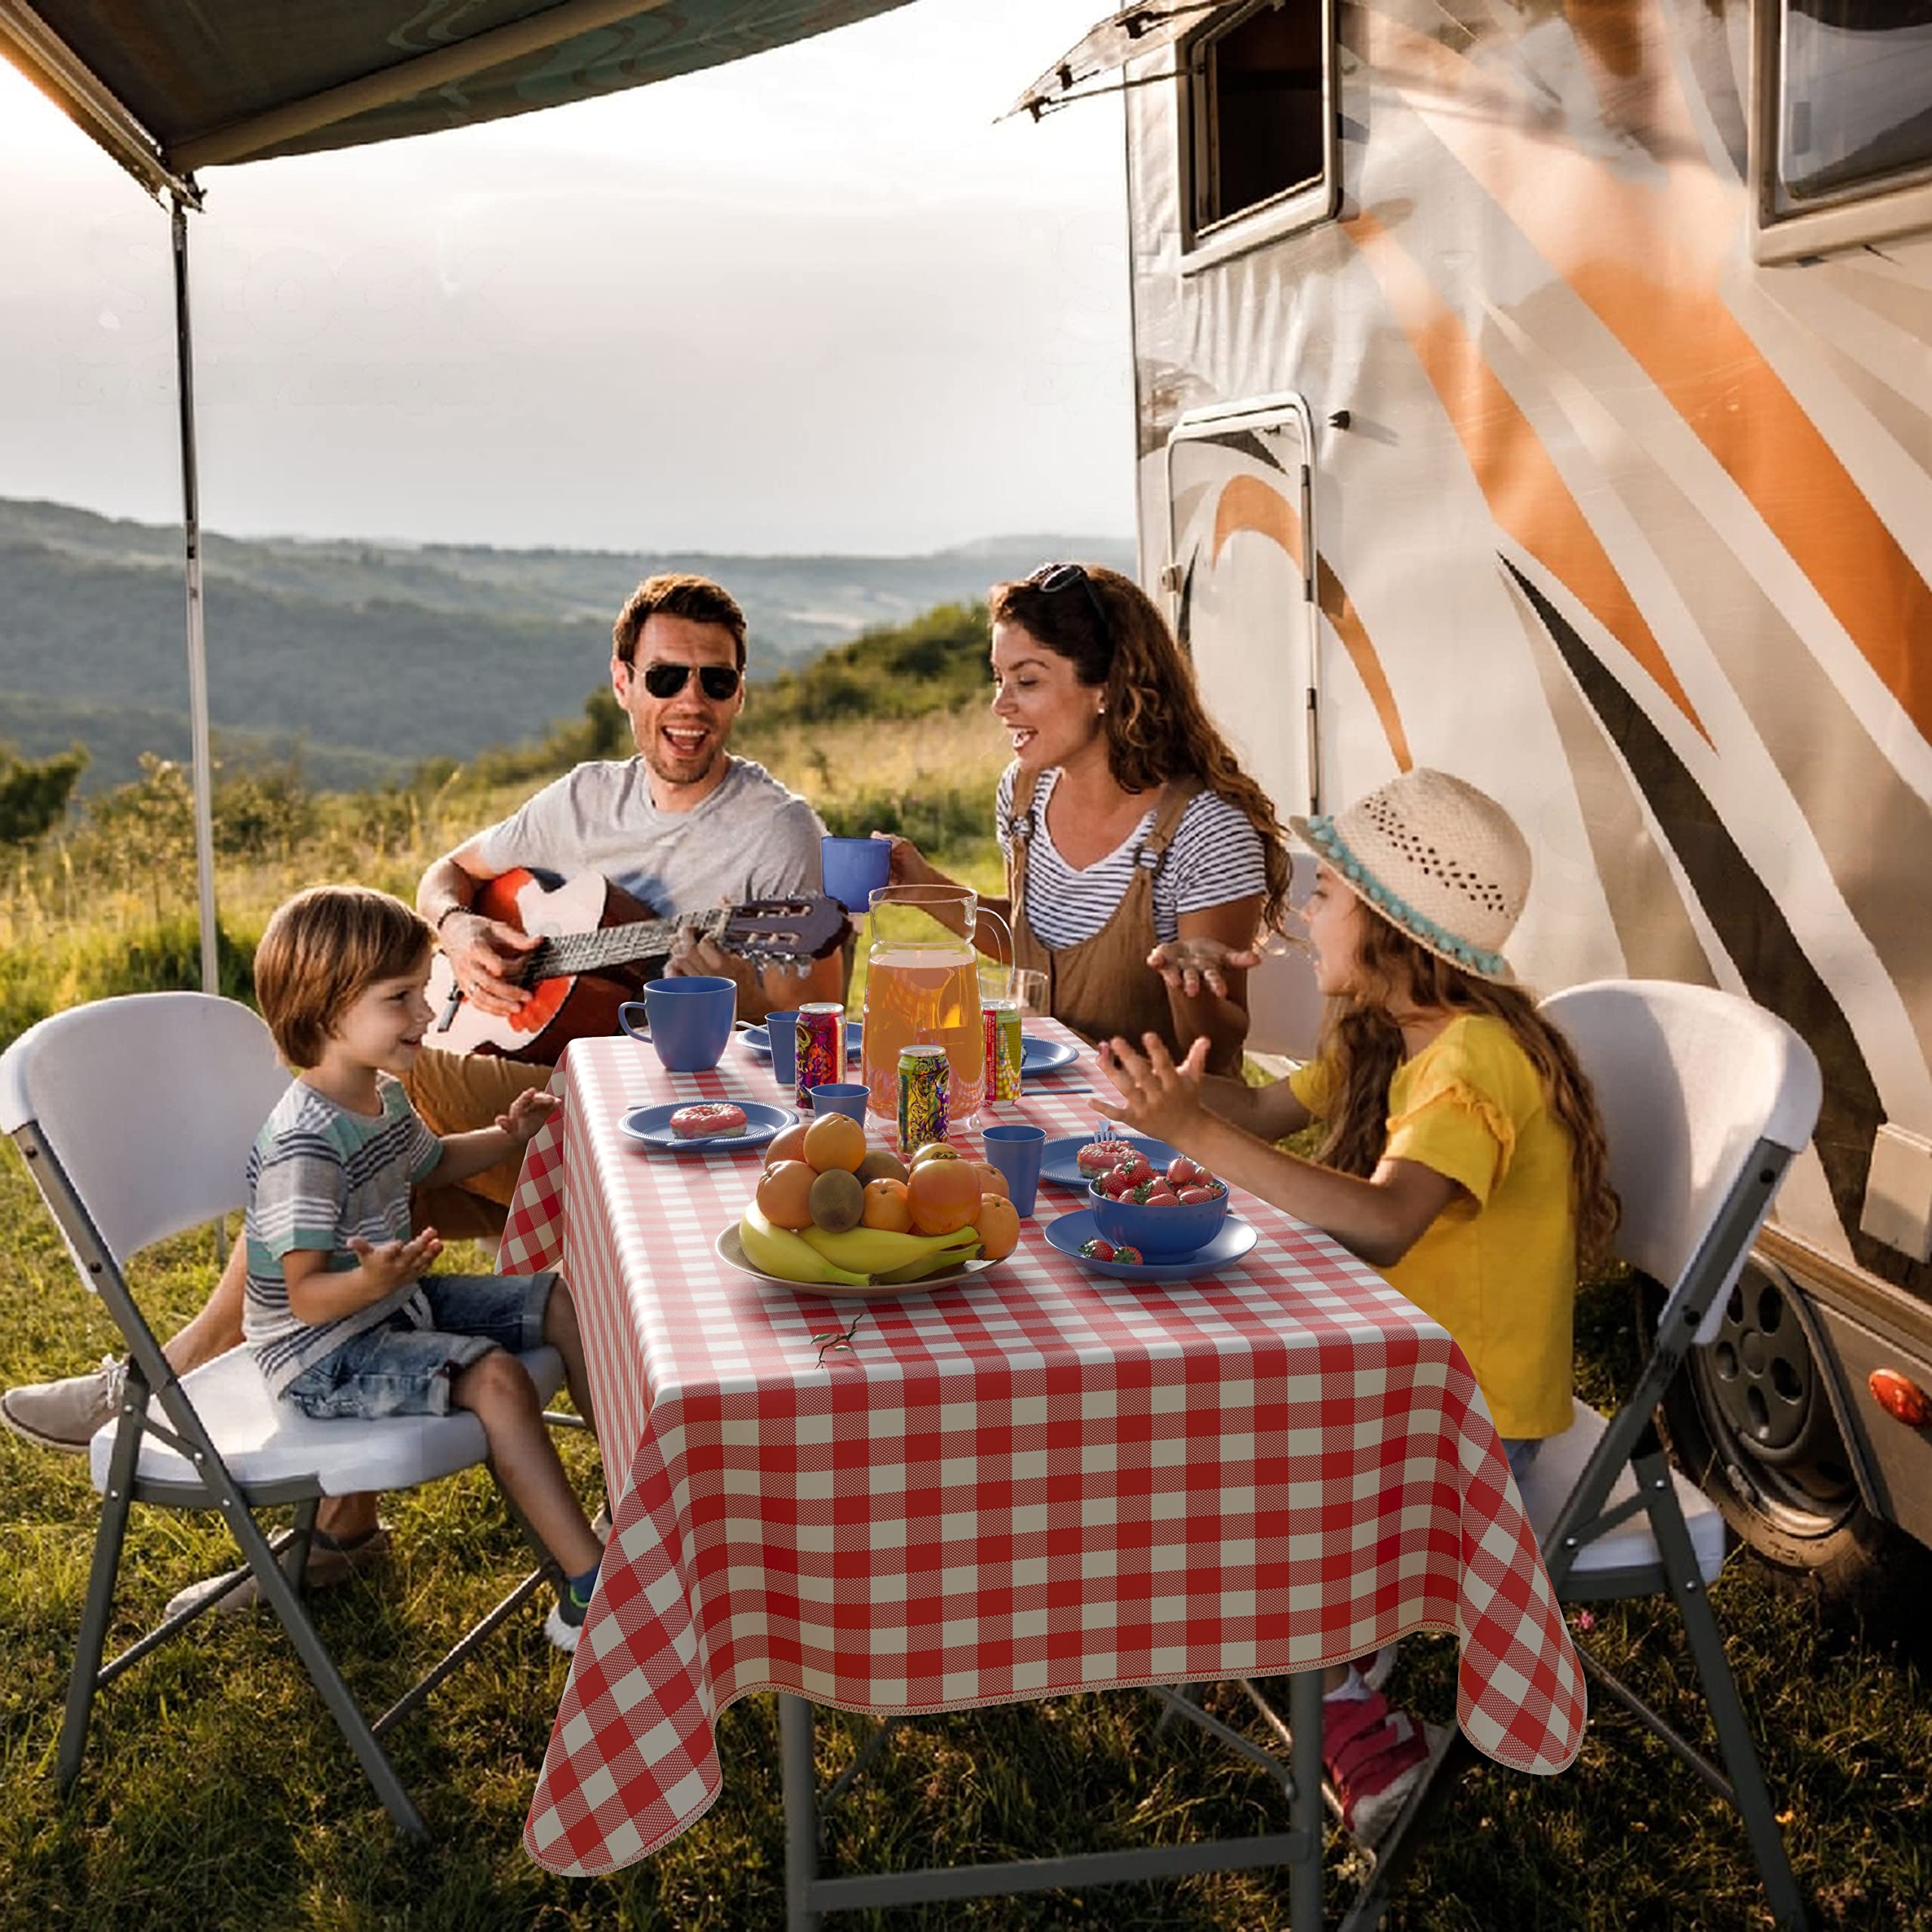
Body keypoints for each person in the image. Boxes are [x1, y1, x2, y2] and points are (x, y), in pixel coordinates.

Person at [2, 571, 840, 1604]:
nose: (692, 701)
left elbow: (810, 1008)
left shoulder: (773, 831)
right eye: (668, 674)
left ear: (741, 692)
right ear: (624, 681)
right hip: (522, 1109)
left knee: (345, 1108)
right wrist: (459, 931)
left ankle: (145, 1386)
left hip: (653, 1130)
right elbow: (448, 872)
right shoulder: (582, 799)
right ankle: (319, 1510)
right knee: (350, 1168)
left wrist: (739, 978)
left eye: (717, 680)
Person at [1091, 767, 1619, 1848]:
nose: (1302, 915)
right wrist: (1175, 1067)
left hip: (1469, 1425)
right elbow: (1257, 1111)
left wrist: (1194, 1137)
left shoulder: (1470, 1061)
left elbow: (1385, 1222)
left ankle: (1354, 1715)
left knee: (1236, 1475)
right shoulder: (1388, 1034)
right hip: (1397, 1378)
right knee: (1204, 1416)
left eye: (1326, 894)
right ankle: (1328, 1661)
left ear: (1389, 928)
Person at [240, 884, 605, 1650]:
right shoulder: (305, 1144)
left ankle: (636, 1499)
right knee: (497, 1377)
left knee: (562, 1301)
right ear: (325, 1008)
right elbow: (304, 1297)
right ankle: (588, 1585)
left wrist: (506, 1133)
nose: (425, 1015)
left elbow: (434, 1164)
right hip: (324, 1352)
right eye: (400, 997)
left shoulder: (382, 1093)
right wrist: (371, 1281)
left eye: (423, 992)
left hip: (387, 1305)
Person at [878, 561, 1290, 1075]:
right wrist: (924, 888)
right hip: (1042, 1099)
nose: (999, 705)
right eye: (998, 678)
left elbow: (1219, 1045)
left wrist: (1189, 988)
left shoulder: (1206, 830)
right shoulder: (1024, 792)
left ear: (1107, 688)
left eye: (1027, 680)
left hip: (1161, 1130)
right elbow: (1029, 935)